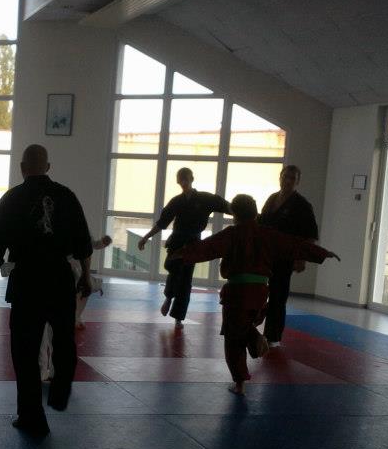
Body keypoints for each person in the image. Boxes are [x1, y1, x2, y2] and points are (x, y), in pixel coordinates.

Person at [0, 144, 94, 438]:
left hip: (27, 280)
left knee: (25, 352)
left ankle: (31, 416)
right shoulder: (66, 196)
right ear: (48, 167)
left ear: (22, 167)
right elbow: (82, 243)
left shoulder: (12, 199)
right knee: (64, 339)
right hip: (59, 278)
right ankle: (59, 392)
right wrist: (87, 277)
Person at [178, 194, 338, 395]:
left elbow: (207, 248)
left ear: (235, 214)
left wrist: (182, 253)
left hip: (237, 293)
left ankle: (240, 382)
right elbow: (293, 244)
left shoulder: (232, 234)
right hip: (261, 293)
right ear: (255, 213)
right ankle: (254, 339)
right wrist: (321, 253)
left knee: (233, 339)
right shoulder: (267, 234)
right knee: (242, 326)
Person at [137, 167, 231, 328]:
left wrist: (245, 213)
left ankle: (178, 317)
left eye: (186, 178)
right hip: (177, 241)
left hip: (193, 243)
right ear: (178, 181)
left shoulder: (205, 198)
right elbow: (162, 223)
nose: (184, 182)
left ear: (192, 179)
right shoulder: (176, 201)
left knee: (186, 279)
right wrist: (146, 237)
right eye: (181, 179)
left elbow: (225, 205)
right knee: (172, 269)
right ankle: (169, 296)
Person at [258, 165, 319, 345]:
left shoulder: (302, 205)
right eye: (286, 176)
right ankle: (264, 327)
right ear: (280, 177)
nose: (288, 180)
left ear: (297, 181)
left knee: (278, 295)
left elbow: (309, 235)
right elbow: (261, 223)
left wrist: (301, 258)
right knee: (263, 292)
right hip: (267, 254)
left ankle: (273, 336)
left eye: (292, 178)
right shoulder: (272, 199)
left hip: (285, 256)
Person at [38, 234, 112, 382]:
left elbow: (90, 245)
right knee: (49, 331)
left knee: (49, 331)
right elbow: (88, 247)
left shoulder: (74, 229)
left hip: (62, 279)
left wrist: (101, 244)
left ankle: (48, 371)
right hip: (57, 278)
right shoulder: (70, 223)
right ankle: (48, 371)